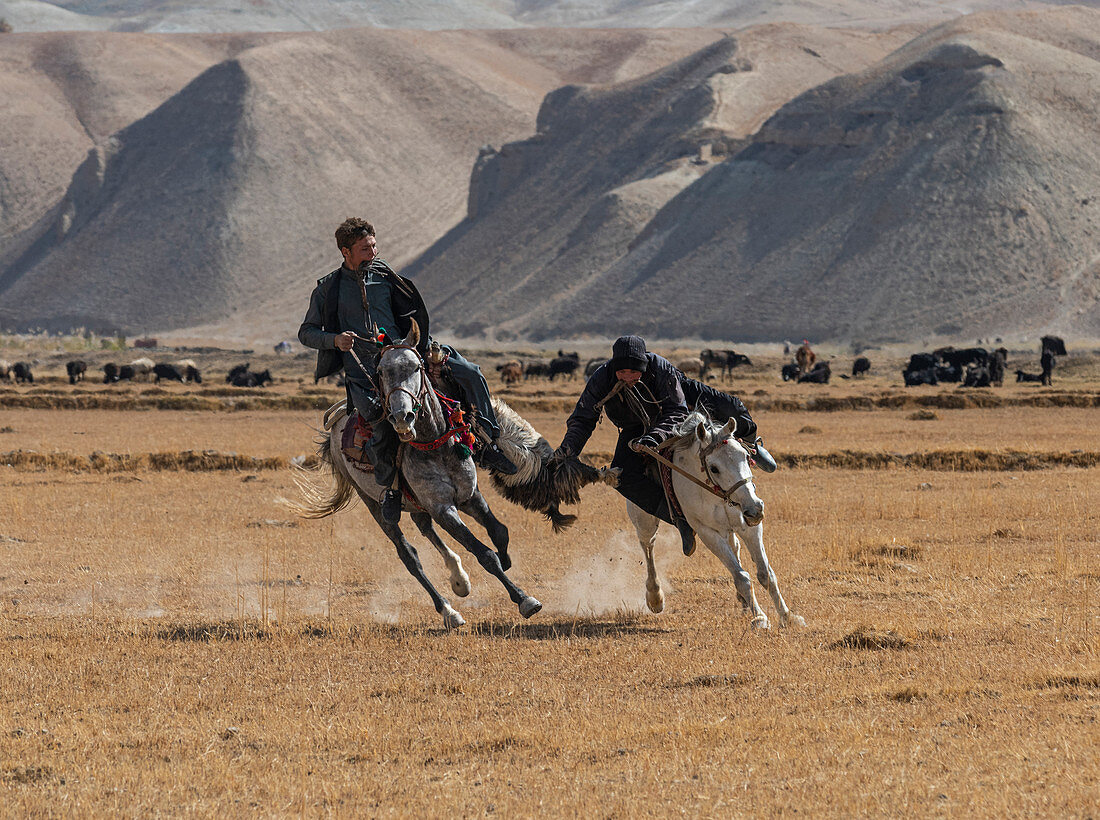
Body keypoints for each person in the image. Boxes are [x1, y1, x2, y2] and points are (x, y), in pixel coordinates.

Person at [299, 218, 516, 523]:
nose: (373, 251)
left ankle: (488, 444)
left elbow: (411, 313)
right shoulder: (328, 289)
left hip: (408, 354)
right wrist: (334, 339)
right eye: (365, 248)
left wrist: (423, 345)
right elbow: (306, 332)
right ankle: (390, 490)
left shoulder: (385, 275)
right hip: (367, 373)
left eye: (374, 245)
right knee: (379, 422)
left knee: (470, 372)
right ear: (346, 252)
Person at [554, 335, 760, 556]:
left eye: (634, 372)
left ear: (644, 366)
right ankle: (680, 520)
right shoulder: (601, 379)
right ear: (614, 368)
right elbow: (583, 419)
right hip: (634, 427)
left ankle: (755, 443)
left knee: (731, 406)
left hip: (677, 412)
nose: (628, 377)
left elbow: (676, 411)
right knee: (623, 477)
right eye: (622, 372)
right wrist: (567, 452)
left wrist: (654, 438)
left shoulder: (660, 368)